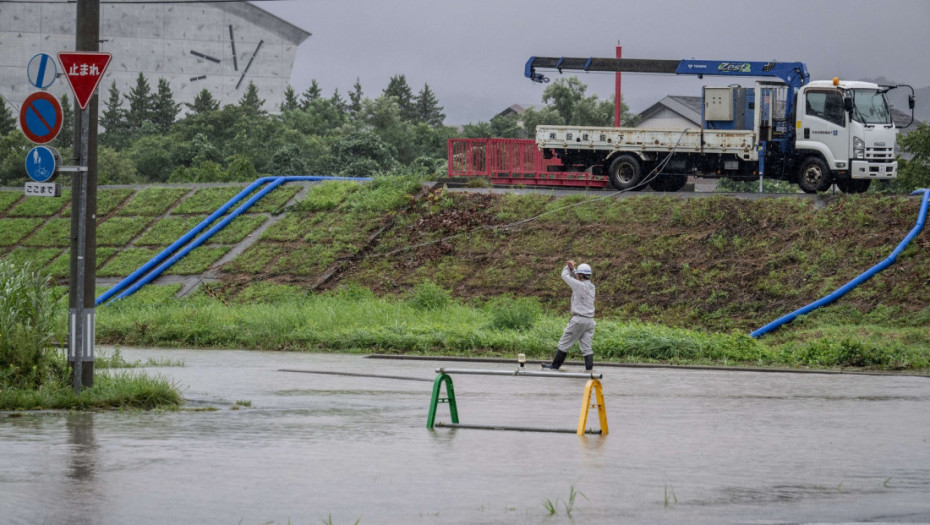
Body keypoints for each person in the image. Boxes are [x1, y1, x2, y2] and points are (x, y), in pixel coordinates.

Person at [542, 260, 596, 372]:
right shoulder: (591, 287)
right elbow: (578, 277)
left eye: (578, 273)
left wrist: (568, 268)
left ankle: (555, 366)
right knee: (587, 348)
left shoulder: (579, 286)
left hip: (578, 320)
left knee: (564, 343)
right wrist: (573, 269)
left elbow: (564, 275)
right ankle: (589, 371)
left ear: (581, 275)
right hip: (590, 321)